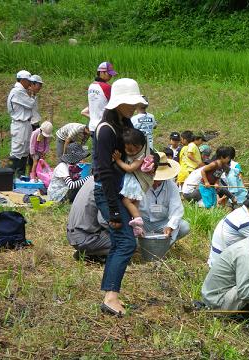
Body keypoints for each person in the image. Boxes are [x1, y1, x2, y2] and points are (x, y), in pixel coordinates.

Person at [92, 78, 147, 316]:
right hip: (109, 191)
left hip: (118, 189)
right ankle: (110, 296)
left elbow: (139, 146)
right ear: (119, 103)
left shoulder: (123, 123)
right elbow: (103, 171)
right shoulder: (106, 130)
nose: (135, 107)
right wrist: (113, 210)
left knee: (120, 242)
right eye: (131, 103)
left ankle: (111, 294)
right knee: (125, 242)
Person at [112, 128, 157, 236]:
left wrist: (118, 160)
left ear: (140, 147)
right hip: (134, 184)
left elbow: (130, 168)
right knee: (134, 206)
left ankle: (137, 219)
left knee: (126, 202)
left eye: (134, 150)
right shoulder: (135, 153)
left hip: (135, 184)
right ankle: (138, 227)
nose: (131, 153)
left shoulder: (141, 157)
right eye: (128, 150)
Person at [138, 151, 190, 243]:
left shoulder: (171, 186)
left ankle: (164, 245)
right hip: (143, 221)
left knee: (184, 227)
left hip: (162, 222)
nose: (157, 182)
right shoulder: (140, 183)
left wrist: (170, 225)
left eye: (160, 179)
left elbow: (177, 209)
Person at [67, 176, 111, 261]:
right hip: (85, 237)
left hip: (74, 234)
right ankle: (91, 254)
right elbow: (104, 221)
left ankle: (89, 252)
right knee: (128, 241)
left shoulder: (93, 178)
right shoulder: (107, 182)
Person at [7, 70, 36, 177]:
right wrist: (33, 93)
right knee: (17, 151)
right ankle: (7, 177)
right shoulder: (18, 91)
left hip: (25, 124)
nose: (30, 84)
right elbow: (30, 104)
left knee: (24, 151)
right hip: (20, 124)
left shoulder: (21, 91)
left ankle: (20, 177)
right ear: (23, 80)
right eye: (29, 81)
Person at [87, 61, 116, 133]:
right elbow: (115, 104)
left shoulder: (91, 86)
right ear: (101, 72)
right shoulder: (106, 87)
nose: (111, 76)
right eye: (109, 74)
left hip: (92, 127)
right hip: (103, 127)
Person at [27, 75, 44, 171]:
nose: (40, 87)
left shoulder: (34, 96)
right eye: (39, 85)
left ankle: (35, 171)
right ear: (32, 84)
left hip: (36, 124)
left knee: (37, 149)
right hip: (31, 125)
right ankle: (31, 171)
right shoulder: (27, 95)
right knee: (32, 149)